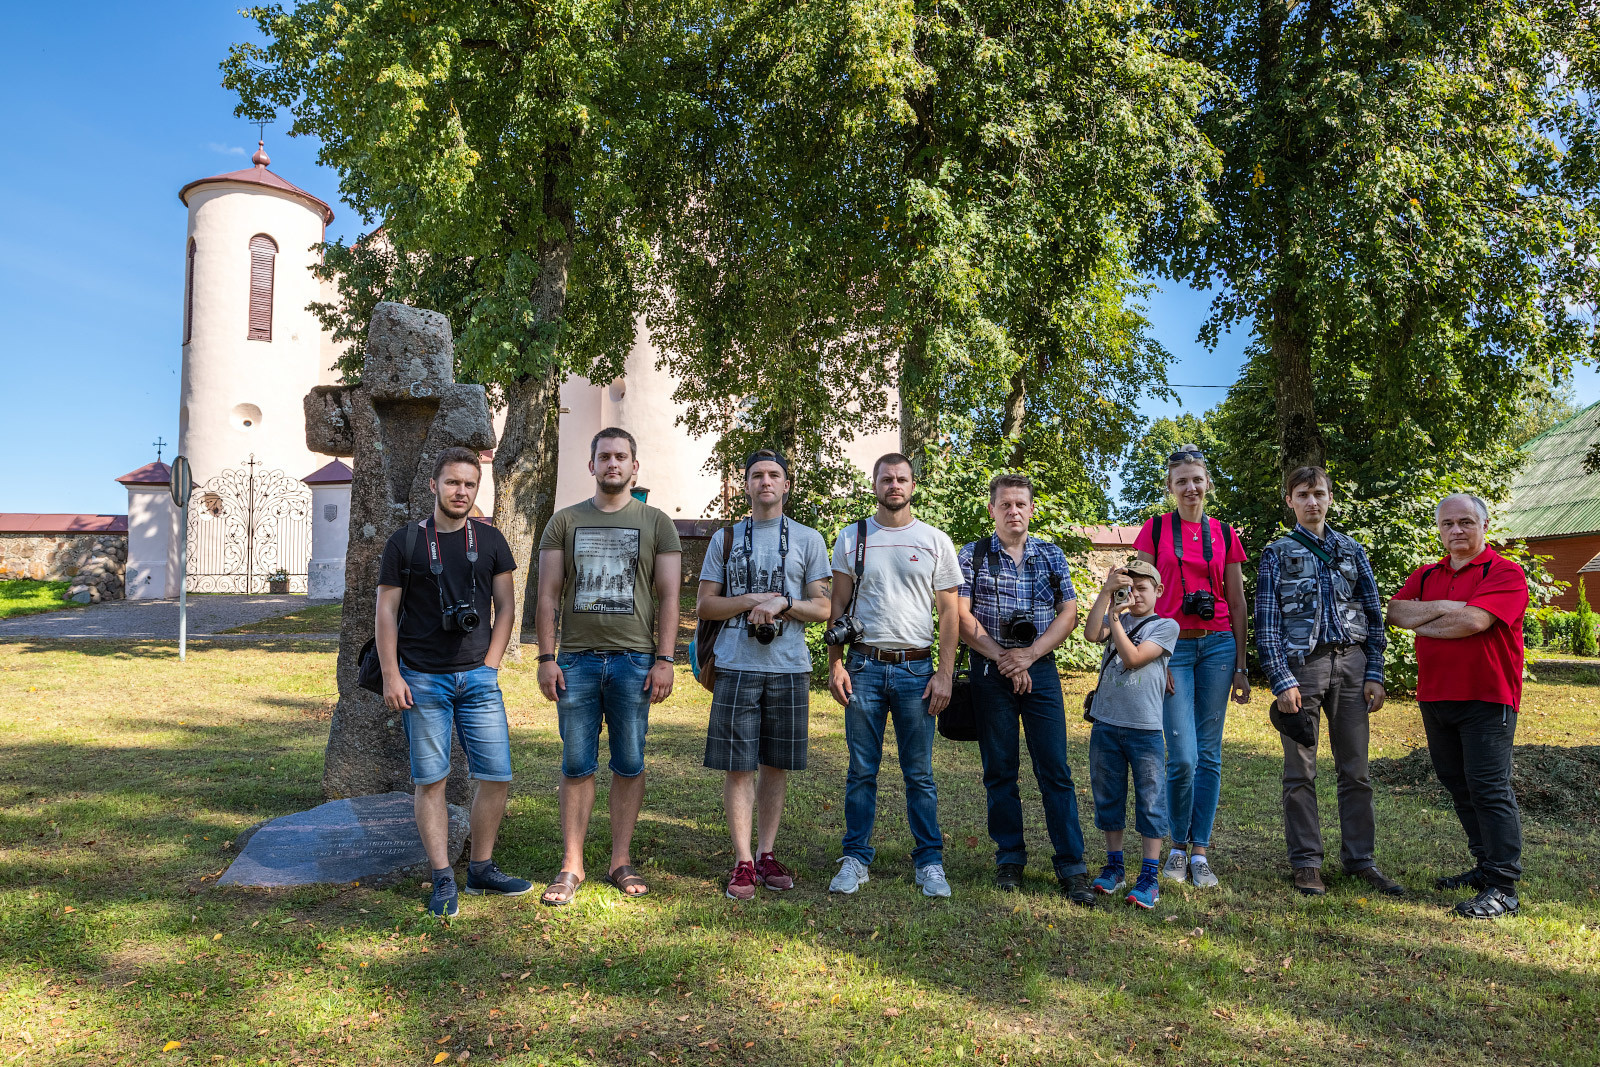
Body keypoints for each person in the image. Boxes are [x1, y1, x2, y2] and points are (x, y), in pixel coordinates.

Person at [376, 446, 530, 918]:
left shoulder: (490, 541)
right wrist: (390, 674)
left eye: (469, 484)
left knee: (497, 774)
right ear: (434, 485)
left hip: (479, 680)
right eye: (452, 483)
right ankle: (444, 877)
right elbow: (386, 609)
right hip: (422, 680)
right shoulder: (405, 541)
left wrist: (491, 664)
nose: (460, 491)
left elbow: (506, 606)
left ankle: (481, 868)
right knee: (432, 779)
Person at [534, 428, 682, 905]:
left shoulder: (657, 523)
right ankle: (571, 864)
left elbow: (669, 597)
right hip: (575, 662)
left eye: (622, 456)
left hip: (634, 662)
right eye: (605, 456)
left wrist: (664, 659)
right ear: (592, 465)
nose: (613, 463)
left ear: (634, 466)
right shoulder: (564, 521)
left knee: (629, 761)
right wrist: (545, 658)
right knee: (577, 764)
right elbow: (548, 596)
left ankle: (621, 859)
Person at [1256, 466, 1402, 897]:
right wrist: (1282, 679)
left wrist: (1374, 672)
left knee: (1355, 770)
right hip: (1304, 668)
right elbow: (1267, 623)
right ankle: (1306, 862)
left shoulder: (1351, 550)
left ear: (1331, 497)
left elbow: (1374, 615)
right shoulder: (1276, 553)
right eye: (1302, 494)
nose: (1312, 502)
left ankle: (1361, 861)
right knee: (1300, 771)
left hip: (1353, 666)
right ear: (1290, 501)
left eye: (1319, 493)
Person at [696, 450, 833, 900]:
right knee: (739, 766)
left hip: (789, 666)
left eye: (774, 474)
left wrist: (782, 604)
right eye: (757, 475)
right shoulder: (727, 538)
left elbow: (824, 607)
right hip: (736, 663)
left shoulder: (809, 539)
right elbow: (706, 606)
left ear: (787, 484)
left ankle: (768, 852)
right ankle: (742, 861)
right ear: (747, 484)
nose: (766, 481)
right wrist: (752, 597)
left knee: (776, 765)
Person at [827, 453, 962, 898]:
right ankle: (855, 858)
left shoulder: (935, 541)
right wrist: (835, 664)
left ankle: (929, 862)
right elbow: (837, 608)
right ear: (875, 484)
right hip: (864, 667)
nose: (894, 485)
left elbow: (948, 614)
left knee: (919, 773)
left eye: (902, 479)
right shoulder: (852, 537)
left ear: (913, 486)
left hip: (917, 669)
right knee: (861, 770)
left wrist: (945, 674)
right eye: (886, 479)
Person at [1387, 493, 1529, 919]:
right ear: (1440, 530)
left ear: (1484, 525)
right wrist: (1452, 608)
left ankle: (1503, 887)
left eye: (1466, 522)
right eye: (1448, 524)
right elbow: (1395, 613)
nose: (1457, 531)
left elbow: (1474, 622)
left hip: (1487, 697)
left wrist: (1432, 618)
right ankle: (1485, 866)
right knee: (1457, 783)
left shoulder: (1505, 572)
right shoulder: (1427, 574)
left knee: (1488, 788)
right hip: (1435, 697)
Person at [956, 472, 1094, 903]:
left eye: (1021, 504)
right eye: (1005, 504)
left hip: (1043, 669)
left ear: (1031, 509)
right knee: (1000, 770)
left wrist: (1029, 656)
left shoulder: (1050, 555)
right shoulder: (972, 555)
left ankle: (1072, 866)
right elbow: (961, 617)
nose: (1014, 511)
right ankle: (1009, 858)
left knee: (1055, 769)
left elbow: (1068, 613)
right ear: (992, 509)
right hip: (989, 671)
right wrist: (1005, 658)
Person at [1132, 444, 1250, 888]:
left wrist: (1242, 664)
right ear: (1170, 488)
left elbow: (1236, 600)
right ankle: (1175, 846)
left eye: (1197, 479)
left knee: (1209, 753)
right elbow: (1139, 594)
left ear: (1208, 485)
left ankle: (1199, 850)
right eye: (1181, 481)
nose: (1190, 488)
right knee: (1181, 756)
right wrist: (1148, 653)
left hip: (1218, 646)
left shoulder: (1224, 533)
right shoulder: (1156, 530)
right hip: (1171, 647)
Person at [1083, 560, 1179, 910]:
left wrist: (1117, 621)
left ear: (1158, 591)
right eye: (1129, 587)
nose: (1135, 594)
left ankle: (1149, 876)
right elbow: (1091, 635)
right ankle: (1114, 866)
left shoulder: (1166, 626)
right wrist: (1106, 596)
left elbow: (1135, 657)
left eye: (1143, 588)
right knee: (1109, 797)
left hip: (1145, 730)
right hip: (1107, 724)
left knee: (1151, 801)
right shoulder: (1116, 617)